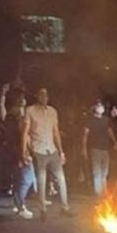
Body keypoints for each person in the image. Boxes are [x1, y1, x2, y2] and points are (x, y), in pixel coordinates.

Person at [22, 88, 72, 219]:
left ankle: (65, 207)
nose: (44, 97)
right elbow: (25, 132)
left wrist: (61, 151)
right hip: (38, 150)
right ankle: (42, 209)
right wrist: (24, 152)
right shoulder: (30, 111)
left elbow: (56, 132)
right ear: (37, 96)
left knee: (61, 179)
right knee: (42, 180)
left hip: (52, 149)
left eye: (46, 95)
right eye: (42, 95)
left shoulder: (52, 111)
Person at [2, 94, 34, 219]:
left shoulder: (15, 117)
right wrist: (22, 154)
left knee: (19, 180)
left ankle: (18, 203)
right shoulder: (13, 118)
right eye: (20, 102)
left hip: (17, 152)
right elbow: (18, 137)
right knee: (26, 178)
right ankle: (21, 206)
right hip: (18, 152)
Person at [82, 100, 117, 197]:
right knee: (97, 172)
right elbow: (85, 135)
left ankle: (104, 193)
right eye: (98, 106)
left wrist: (115, 142)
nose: (101, 108)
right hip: (95, 149)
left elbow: (110, 131)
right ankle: (98, 194)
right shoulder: (90, 120)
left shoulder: (106, 120)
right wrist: (84, 148)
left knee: (104, 173)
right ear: (95, 108)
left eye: (101, 106)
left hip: (105, 149)